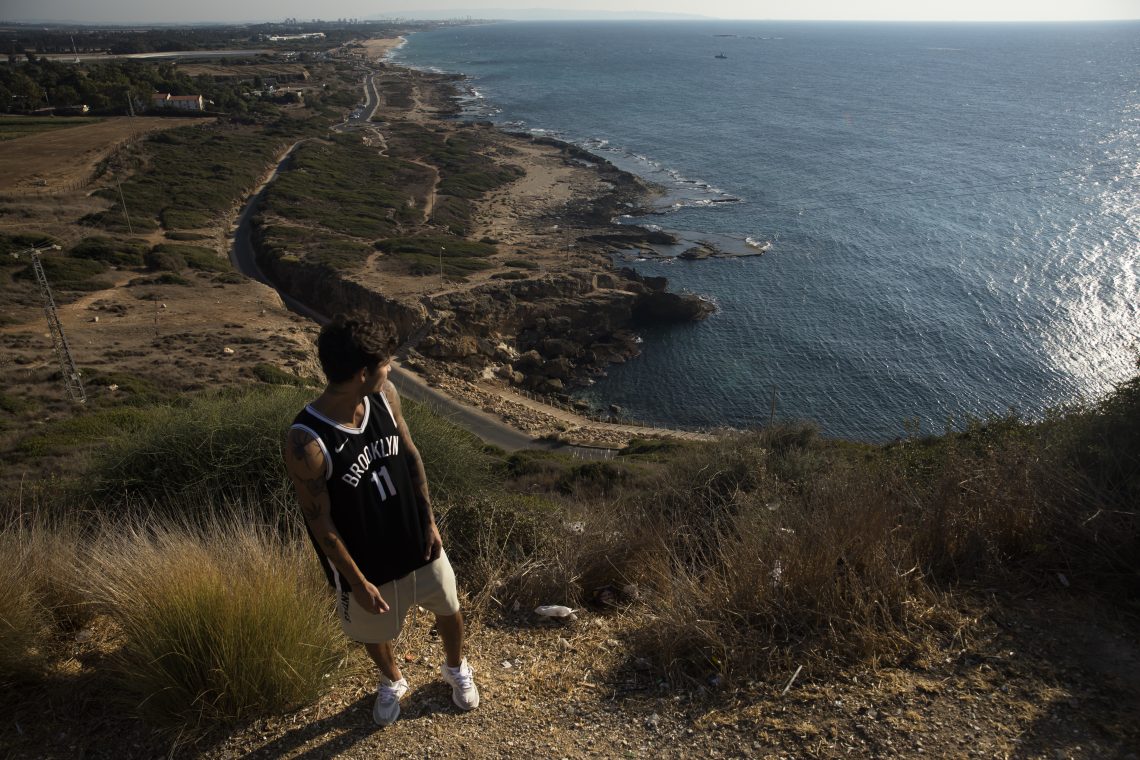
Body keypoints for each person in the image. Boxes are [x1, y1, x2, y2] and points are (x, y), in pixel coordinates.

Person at [284, 313, 479, 726]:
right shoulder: (306, 441)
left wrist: (429, 520)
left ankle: (455, 667)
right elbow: (320, 522)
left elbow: (410, 455)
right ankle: (392, 680)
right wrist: (356, 582)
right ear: (361, 373)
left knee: (449, 606)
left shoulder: (386, 395)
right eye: (385, 362)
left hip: (416, 540)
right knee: (375, 633)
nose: (390, 368)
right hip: (365, 563)